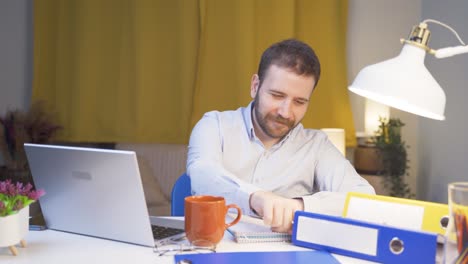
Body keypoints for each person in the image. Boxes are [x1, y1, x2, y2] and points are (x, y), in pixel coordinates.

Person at [186, 39, 375, 233]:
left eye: (299, 102)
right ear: (255, 86)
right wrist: (254, 197)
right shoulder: (214, 126)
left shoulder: (316, 145)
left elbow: (364, 198)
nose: (286, 112)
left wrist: (300, 207)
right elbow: (202, 174)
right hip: (217, 249)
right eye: (277, 95)